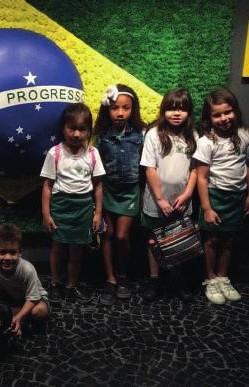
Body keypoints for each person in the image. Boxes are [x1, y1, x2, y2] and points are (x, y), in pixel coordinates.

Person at [193, 88, 249, 305]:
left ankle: (223, 277)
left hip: (237, 197)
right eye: (217, 115)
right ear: (209, 118)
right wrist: (207, 208)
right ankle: (210, 279)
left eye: (228, 112)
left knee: (229, 239)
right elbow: (202, 178)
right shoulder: (206, 142)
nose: (223, 118)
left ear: (235, 111)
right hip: (214, 196)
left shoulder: (245, 135)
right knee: (211, 240)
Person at [40, 103, 105, 303]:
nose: (76, 134)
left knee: (77, 250)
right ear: (63, 128)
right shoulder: (55, 153)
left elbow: (98, 186)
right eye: (72, 128)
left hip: (84, 207)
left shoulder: (93, 154)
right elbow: (47, 186)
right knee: (57, 248)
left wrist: (98, 214)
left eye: (82, 129)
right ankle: (55, 284)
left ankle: (70, 286)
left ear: (89, 131)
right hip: (60, 206)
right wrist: (46, 214)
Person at [140, 88, 198, 302]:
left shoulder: (193, 135)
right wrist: (161, 199)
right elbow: (149, 168)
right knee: (154, 241)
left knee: (180, 240)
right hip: (156, 203)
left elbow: (195, 169)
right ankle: (154, 280)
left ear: (189, 112)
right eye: (172, 108)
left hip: (182, 203)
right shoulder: (154, 134)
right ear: (164, 110)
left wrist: (188, 194)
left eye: (182, 109)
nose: (176, 113)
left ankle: (178, 281)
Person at [94, 85, 145, 306]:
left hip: (129, 191)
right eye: (115, 108)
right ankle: (110, 279)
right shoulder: (101, 136)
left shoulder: (140, 134)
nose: (120, 113)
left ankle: (123, 275)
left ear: (133, 109)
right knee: (108, 234)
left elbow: (146, 164)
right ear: (108, 110)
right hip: (107, 191)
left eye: (126, 108)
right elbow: (95, 166)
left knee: (122, 236)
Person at [0, 224, 48, 336]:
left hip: (35, 299)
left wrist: (18, 317)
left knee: (38, 312)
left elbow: (32, 299)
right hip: (11, 299)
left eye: (13, 252)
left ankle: (20, 320)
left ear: (20, 252)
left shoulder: (27, 269)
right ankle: (16, 318)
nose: (7, 258)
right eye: (2, 252)